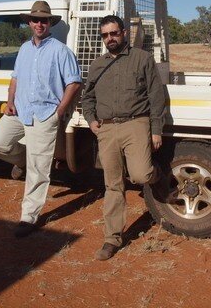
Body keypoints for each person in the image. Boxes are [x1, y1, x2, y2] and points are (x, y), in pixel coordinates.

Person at [0, 0, 82, 238]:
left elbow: (74, 83)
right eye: (35, 19)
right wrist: (10, 102)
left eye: (44, 20)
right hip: (20, 110)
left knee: (38, 169)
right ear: (29, 23)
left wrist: (59, 111)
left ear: (50, 23)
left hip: (44, 113)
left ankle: (28, 217)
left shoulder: (61, 51)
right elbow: (15, 78)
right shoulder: (24, 49)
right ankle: (22, 162)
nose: (39, 24)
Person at [82, 15, 168, 260]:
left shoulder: (142, 59)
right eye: (105, 35)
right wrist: (91, 120)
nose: (110, 38)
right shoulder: (97, 65)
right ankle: (112, 239)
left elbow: (155, 95)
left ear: (123, 33)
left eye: (114, 33)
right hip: (107, 129)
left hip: (136, 124)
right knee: (113, 184)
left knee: (141, 174)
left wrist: (156, 129)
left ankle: (158, 175)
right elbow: (87, 98)